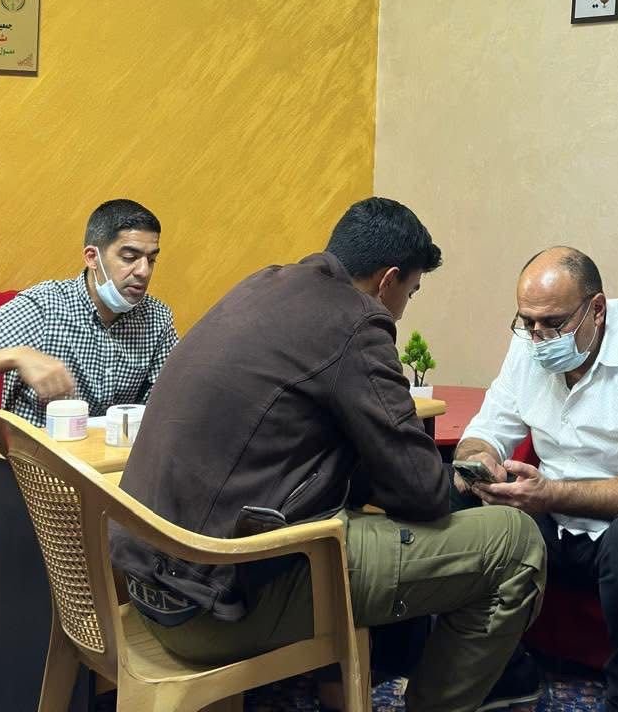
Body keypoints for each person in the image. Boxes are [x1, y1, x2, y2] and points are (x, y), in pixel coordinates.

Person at [110, 197, 546, 712]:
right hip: (214, 609)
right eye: (410, 292)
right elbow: (423, 492)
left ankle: (355, 682)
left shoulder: (263, 284)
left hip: (148, 585)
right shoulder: (357, 321)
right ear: (388, 280)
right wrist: (451, 478)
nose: (403, 308)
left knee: (360, 512)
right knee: (514, 542)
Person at [453, 247, 618, 712]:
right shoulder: (529, 346)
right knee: (451, 496)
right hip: (559, 523)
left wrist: (550, 494)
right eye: (527, 322)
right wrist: (478, 464)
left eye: (553, 323)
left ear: (596, 309)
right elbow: (485, 431)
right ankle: (507, 673)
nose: (538, 337)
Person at [0, 198, 176, 427]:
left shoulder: (157, 318)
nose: (143, 271)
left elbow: (169, 402)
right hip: (37, 448)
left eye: (151, 259)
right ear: (92, 257)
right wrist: (16, 356)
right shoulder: (45, 306)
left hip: (115, 449)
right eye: (129, 258)